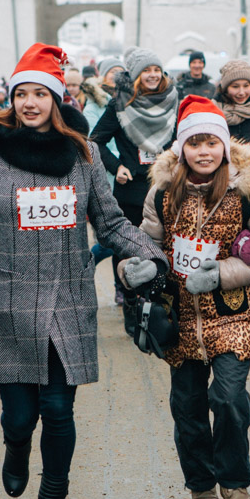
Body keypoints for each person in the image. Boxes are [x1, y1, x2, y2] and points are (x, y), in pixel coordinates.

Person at [0, 43, 167, 499]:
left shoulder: (81, 155)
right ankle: (16, 444)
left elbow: (109, 221)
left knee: (59, 410)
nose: (28, 103)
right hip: (7, 297)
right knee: (20, 415)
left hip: (67, 295)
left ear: (55, 99)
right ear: (12, 99)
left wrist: (153, 255)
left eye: (38, 94)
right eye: (20, 93)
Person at [121, 95, 250, 499]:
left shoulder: (248, 191)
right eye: (194, 143)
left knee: (229, 398)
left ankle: (234, 482)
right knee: (188, 406)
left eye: (211, 143)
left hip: (231, 311)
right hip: (180, 317)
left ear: (224, 146)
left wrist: (219, 275)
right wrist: (134, 269)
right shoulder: (161, 193)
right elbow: (146, 244)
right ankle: (200, 484)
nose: (204, 152)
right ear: (181, 149)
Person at [88, 46, 179, 322]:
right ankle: (130, 302)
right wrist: (117, 167)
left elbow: (185, 139)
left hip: (167, 187)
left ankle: (163, 301)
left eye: (156, 70)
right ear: (136, 76)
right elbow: (94, 141)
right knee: (129, 246)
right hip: (132, 189)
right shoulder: (121, 105)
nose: (152, 75)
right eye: (146, 71)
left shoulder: (174, 101)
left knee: (168, 244)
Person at [83, 56, 122, 130]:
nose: (118, 75)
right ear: (103, 76)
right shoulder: (93, 107)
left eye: (121, 72)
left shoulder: (130, 100)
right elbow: (93, 137)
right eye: (113, 72)